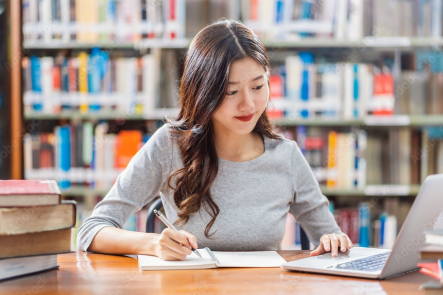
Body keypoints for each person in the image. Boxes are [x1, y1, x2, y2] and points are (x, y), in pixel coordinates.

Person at [77, 18, 352, 261]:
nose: (248, 104)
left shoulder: (287, 156)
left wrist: (333, 240)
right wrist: (152, 244)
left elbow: (329, 237)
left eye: (258, 86)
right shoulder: (169, 146)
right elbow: (91, 230)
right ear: (202, 93)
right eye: (231, 92)